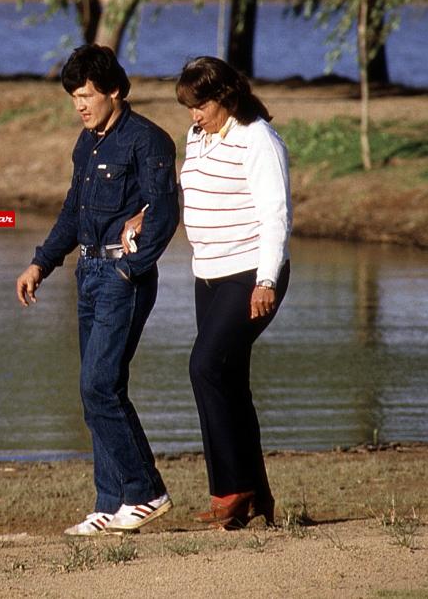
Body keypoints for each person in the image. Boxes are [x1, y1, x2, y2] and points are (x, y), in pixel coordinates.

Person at [15, 44, 179, 536]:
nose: (80, 105)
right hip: (86, 275)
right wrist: (41, 262)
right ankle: (110, 503)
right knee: (97, 391)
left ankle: (146, 492)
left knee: (99, 386)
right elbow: (73, 211)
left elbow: (164, 215)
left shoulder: (147, 141)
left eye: (87, 95)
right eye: (74, 97)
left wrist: (132, 268)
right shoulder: (86, 144)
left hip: (120, 278)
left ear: (115, 92)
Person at [125, 55, 291, 529]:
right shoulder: (198, 138)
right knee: (230, 382)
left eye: (199, 105)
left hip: (249, 274)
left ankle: (231, 489)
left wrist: (266, 280)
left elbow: (276, 216)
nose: (193, 115)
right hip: (210, 275)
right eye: (189, 107)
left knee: (205, 365)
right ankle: (256, 498)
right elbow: (185, 188)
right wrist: (145, 214)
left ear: (224, 97)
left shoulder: (257, 139)